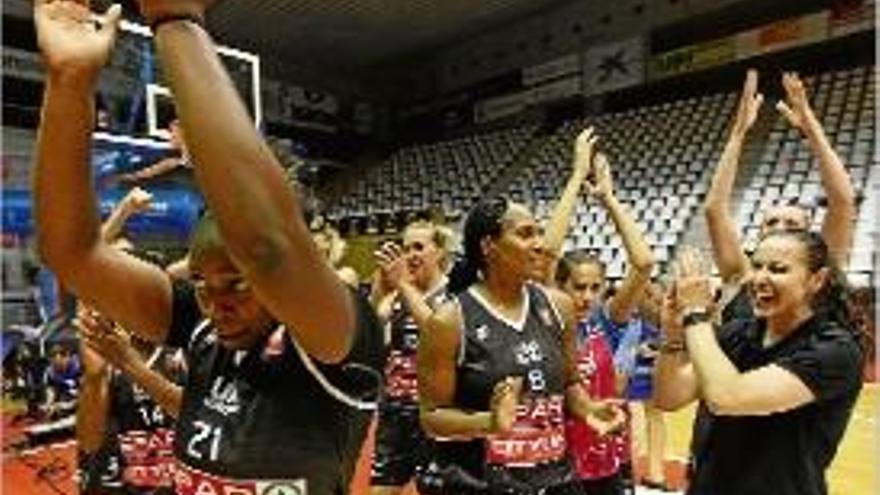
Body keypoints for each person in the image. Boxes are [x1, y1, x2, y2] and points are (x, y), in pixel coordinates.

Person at [32, 2, 384, 494]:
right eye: (200, 284)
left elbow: (266, 247)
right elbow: (71, 252)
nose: (216, 303)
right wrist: (68, 82)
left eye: (236, 284)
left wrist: (175, 21)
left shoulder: (335, 331)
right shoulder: (203, 327)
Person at [418, 196, 625, 494]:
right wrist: (489, 421)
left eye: (539, 233)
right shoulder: (449, 322)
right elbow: (431, 416)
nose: (540, 244)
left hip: (558, 479)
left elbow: (569, 383)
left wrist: (587, 409)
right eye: (526, 234)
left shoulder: (559, 306)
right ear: (489, 246)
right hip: (481, 482)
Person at [653, 236, 863, 495]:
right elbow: (669, 397)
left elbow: (727, 397)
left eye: (777, 269)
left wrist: (696, 314)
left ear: (816, 280)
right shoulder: (738, 333)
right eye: (756, 266)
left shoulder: (833, 350)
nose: (759, 278)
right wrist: (672, 334)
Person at [547, 144, 657, 494]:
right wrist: (577, 177)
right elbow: (548, 253)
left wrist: (609, 200)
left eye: (596, 287)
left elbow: (643, 265)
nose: (588, 296)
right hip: (558, 461)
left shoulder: (605, 322)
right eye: (579, 287)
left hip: (608, 455)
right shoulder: (544, 317)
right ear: (559, 285)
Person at [704, 70, 855, 323]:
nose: (780, 228)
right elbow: (714, 210)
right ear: (760, 232)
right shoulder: (741, 272)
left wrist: (811, 128)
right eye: (771, 222)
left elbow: (842, 200)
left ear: (809, 235)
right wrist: (739, 133)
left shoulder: (821, 269)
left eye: (792, 224)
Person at [369, 220, 454, 495]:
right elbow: (369, 330)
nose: (410, 255)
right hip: (395, 413)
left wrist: (403, 285)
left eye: (419, 247)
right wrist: (380, 286)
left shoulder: (456, 294)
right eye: (406, 249)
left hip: (435, 415)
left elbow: (437, 333)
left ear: (440, 251)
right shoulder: (397, 292)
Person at [76, 306, 181, 495]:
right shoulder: (103, 356)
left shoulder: (187, 350)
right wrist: (94, 377)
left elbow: (197, 413)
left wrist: (133, 367)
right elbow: (89, 441)